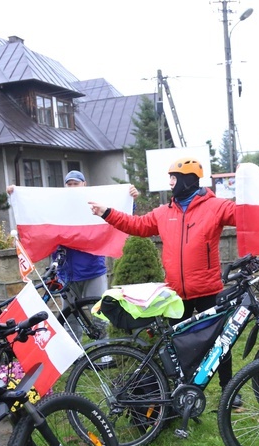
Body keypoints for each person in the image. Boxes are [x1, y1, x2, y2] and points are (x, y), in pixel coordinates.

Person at [88, 157, 240, 399]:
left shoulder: (216, 206)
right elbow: (136, 225)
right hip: (176, 295)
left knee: (219, 342)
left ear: (188, 180)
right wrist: (107, 212)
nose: (170, 182)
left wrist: (247, 187)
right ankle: (182, 391)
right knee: (175, 345)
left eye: (174, 177)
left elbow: (244, 215)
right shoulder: (163, 212)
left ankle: (229, 390)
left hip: (208, 290)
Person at [8, 170, 139, 343]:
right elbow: (36, 209)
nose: (72, 187)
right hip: (66, 272)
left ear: (84, 184)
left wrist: (131, 199)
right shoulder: (58, 205)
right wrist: (16, 194)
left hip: (93, 269)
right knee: (70, 316)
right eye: (68, 184)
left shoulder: (95, 202)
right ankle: (76, 354)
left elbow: (118, 213)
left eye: (75, 183)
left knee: (99, 311)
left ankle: (103, 350)